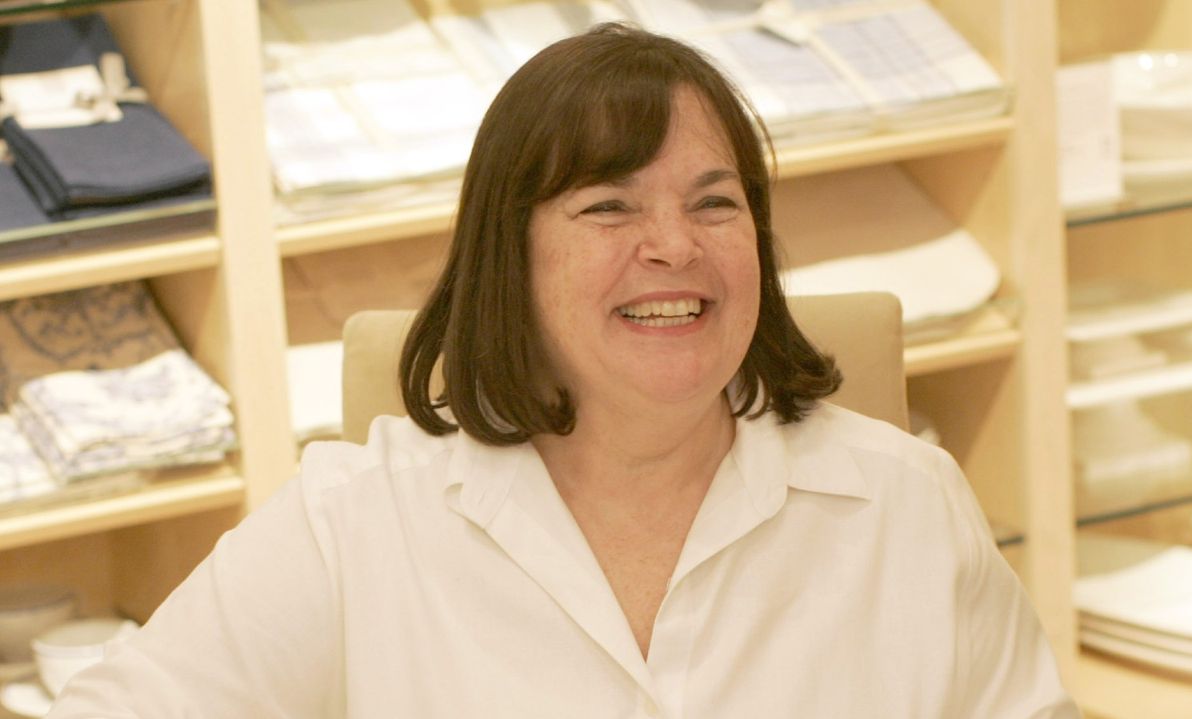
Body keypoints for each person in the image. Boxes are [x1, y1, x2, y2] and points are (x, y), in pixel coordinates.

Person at [50, 23, 1078, 718]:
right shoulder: (355, 521)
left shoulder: (903, 502)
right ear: (514, 256)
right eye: (608, 207)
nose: (674, 245)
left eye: (714, 204)